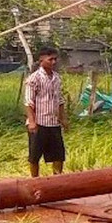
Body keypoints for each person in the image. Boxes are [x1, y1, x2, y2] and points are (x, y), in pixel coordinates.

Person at [24, 44, 68, 177]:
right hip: (39, 122)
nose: (53, 62)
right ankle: (35, 180)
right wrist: (32, 121)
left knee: (58, 154)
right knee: (35, 155)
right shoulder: (34, 78)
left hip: (53, 122)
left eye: (55, 59)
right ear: (41, 60)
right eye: (50, 59)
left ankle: (57, 180)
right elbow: (28, 102)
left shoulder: (56, 78)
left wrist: (63, 118)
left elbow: (59, 100)